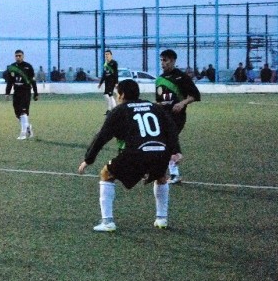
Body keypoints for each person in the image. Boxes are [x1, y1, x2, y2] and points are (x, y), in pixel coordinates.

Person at [78, 79, 181, 232]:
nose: (117, 97)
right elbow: (171, 128)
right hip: (160, 151)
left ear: (122, 94)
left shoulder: (120, 110)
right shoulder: (154, 107)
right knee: (161, 177)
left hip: (137, 152)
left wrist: (88, 159)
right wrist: (175, 151)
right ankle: (161, 218)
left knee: (106, 174)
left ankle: (107, 222)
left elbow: (102, 136)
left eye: (117, 94)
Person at [155, 49, 201, 184]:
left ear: (173, 61)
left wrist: (182, 103)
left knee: (168, 141)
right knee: (165, 143)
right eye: (162, 60)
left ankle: (173, 171)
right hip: (163, 116)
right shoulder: (160, 79)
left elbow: (195, 95)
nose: (163, 63)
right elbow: (160, 100)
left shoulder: (181, 77)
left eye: (166, 60)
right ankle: (170, 173)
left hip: (177, 117)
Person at [4, 49, 39, 140]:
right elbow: (10, 82)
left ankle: (23, 133)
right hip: (16, 92)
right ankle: (28, 127)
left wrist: (36, 93)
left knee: (24, 111)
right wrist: (7, 93)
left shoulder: (28, 66)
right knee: (17, 113)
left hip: (26, 91)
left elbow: (33, 81)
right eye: (16, 56)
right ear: (14, 56)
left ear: (23, 56)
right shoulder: (12, 67)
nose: (18, 57)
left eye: (20, 56)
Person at [97, 49, 119, 114]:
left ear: (111, 55)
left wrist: (116, 82)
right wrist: (100, 83)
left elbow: (116, 73)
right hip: (107, 81)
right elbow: (104, 74)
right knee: (107, 95)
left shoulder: (114, 63)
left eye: (108, 54)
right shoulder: (105, 64)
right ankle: (113, 109)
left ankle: (110, 109)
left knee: (109, 94)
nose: (106, 55)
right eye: (106, 54)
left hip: (112, 81)